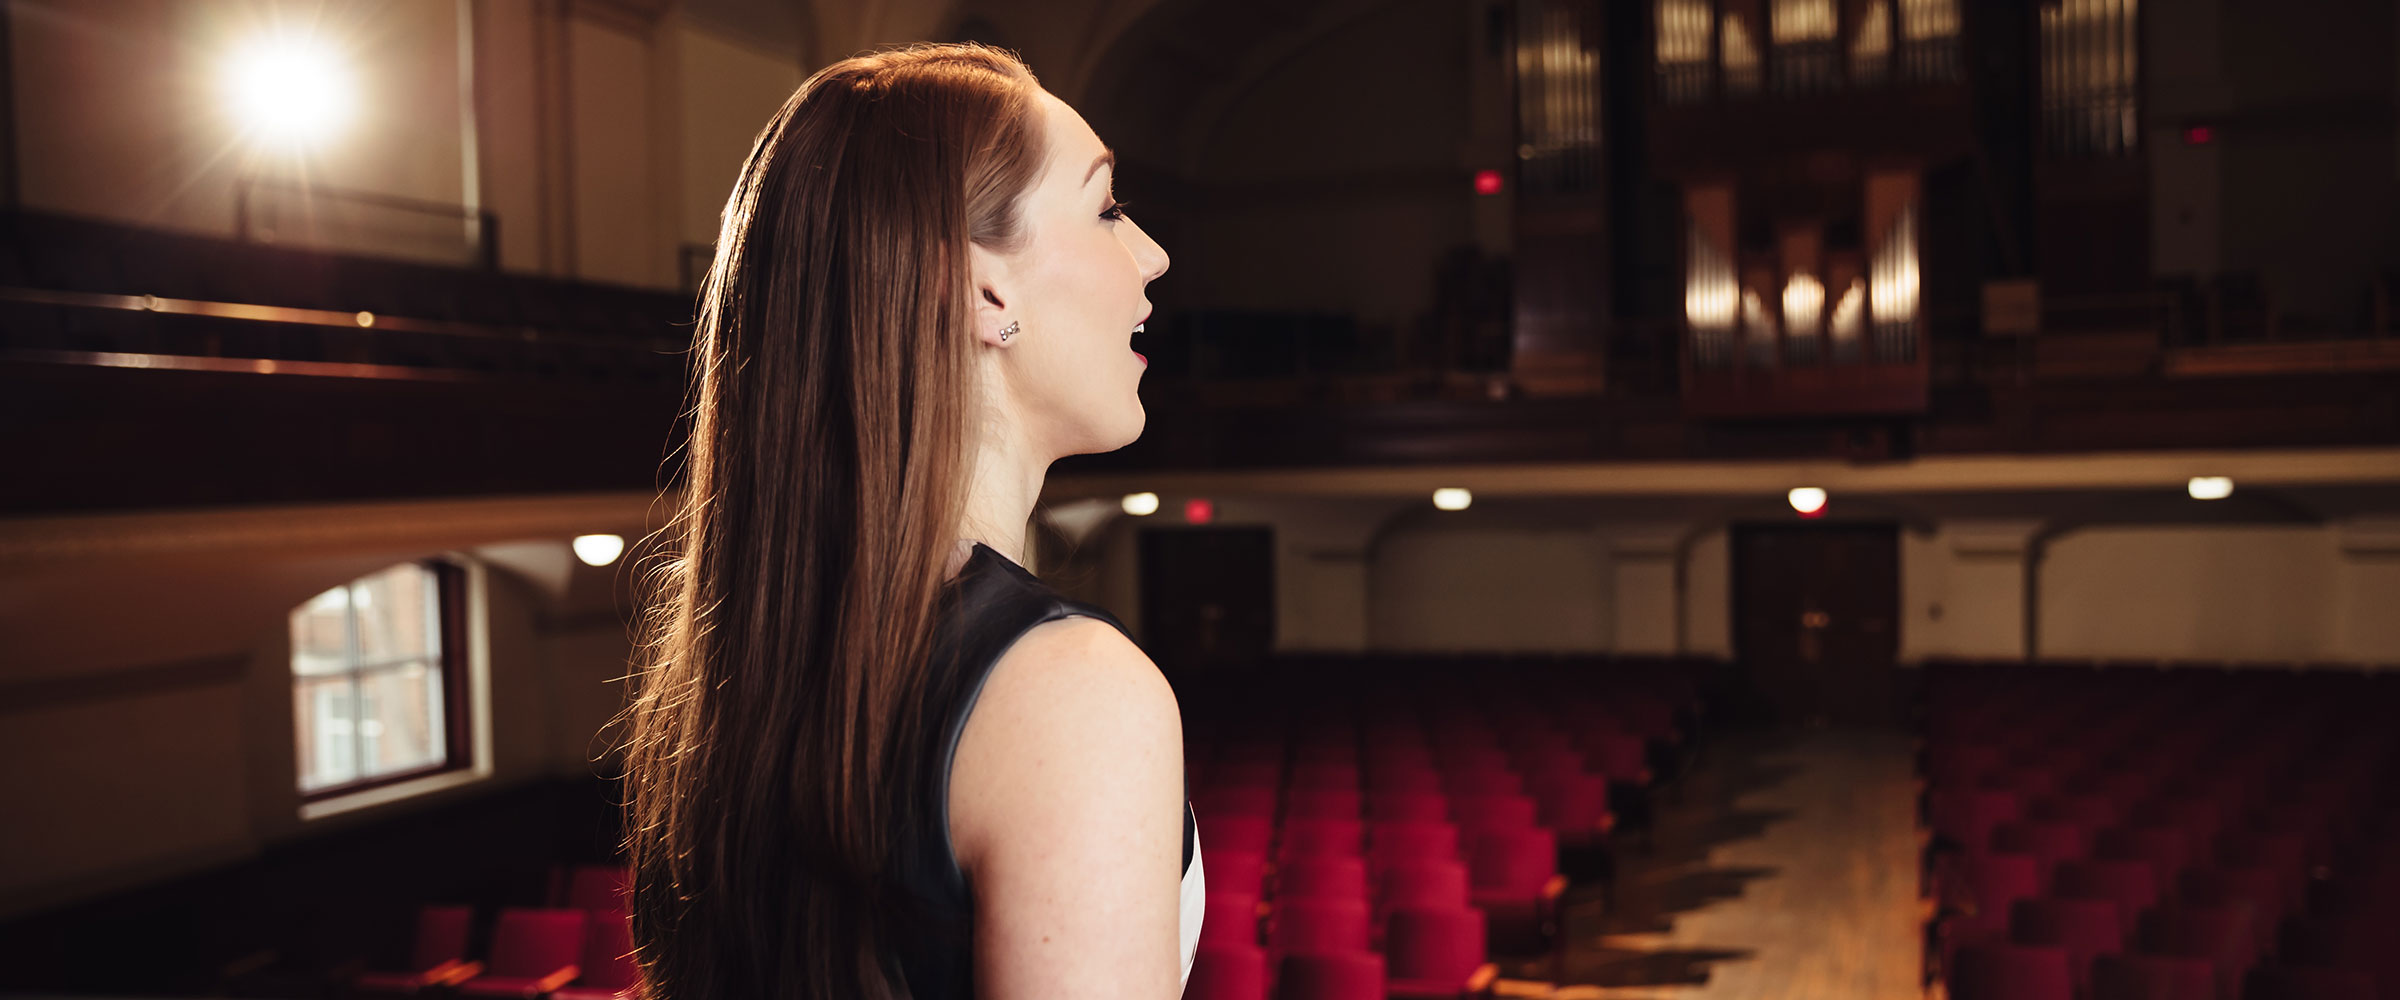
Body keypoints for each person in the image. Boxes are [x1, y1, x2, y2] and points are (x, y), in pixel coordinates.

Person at [617, 41, 1193, 1000]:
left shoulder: (733, 664)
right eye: (1106, 208)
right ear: (980, 289)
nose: (1153, 255)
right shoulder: (1072, 692)